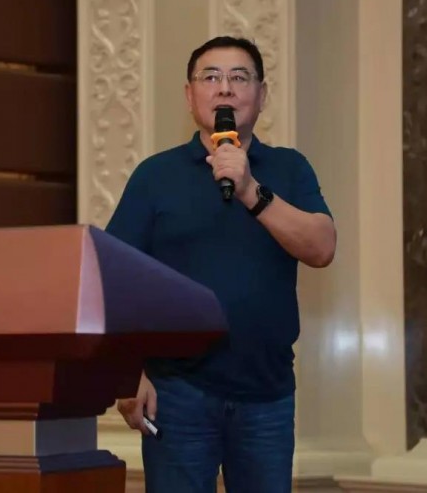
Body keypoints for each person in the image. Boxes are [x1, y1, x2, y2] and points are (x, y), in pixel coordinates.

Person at [105, 36, 336, 493]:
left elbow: (321, 247)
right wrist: (127, 374)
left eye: (239, 77)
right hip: (176, 393)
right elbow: (113, 280)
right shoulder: (156, 176)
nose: (225, 88)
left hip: (267, 396)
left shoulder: (289, 168)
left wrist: (250, 190)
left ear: (262, 95)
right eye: (210, 77)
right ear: (190, 95)